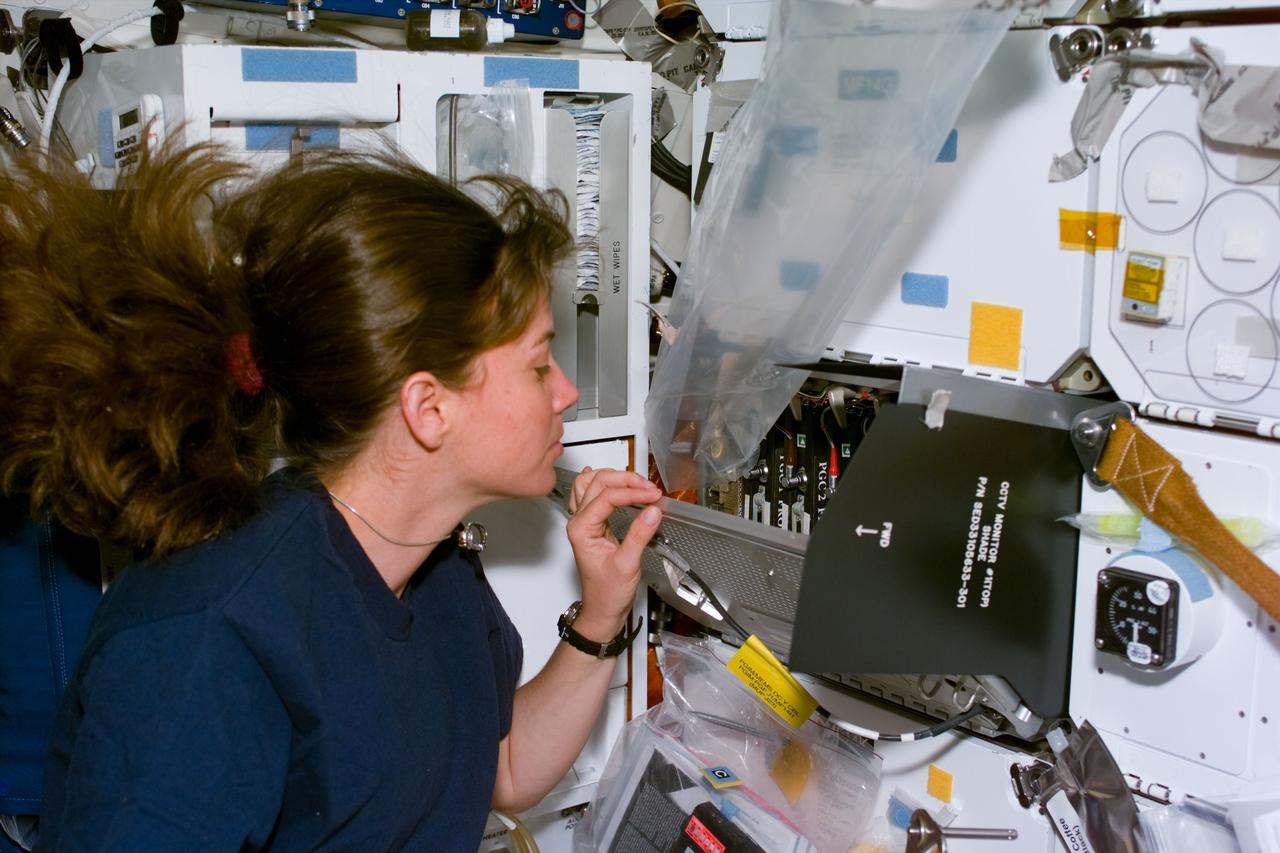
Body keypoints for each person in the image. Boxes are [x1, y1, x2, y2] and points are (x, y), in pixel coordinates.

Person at [0, 141, 663, 850]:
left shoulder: (432, 570)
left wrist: (602, 611)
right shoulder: (204, 644)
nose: (564, 391)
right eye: (538, 365)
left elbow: (499, 764)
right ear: (428, 408)